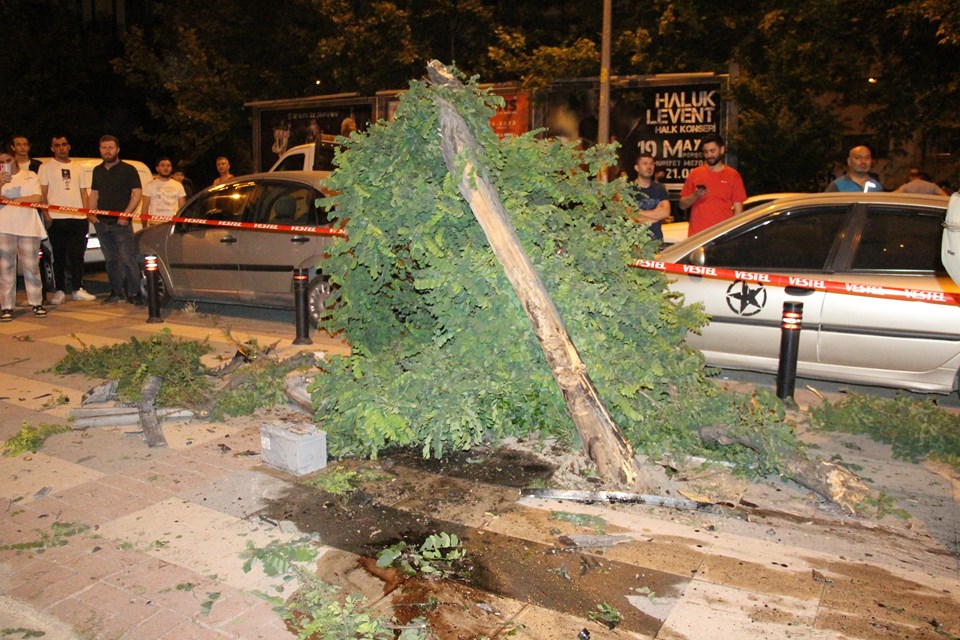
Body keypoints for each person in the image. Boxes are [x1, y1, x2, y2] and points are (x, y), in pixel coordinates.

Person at [38, 135, 97, 304]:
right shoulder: (45, 168)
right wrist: (47, 215)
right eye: (57, 145)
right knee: (59, 255)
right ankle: (60, 290)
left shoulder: (78, 168)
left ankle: (78, 288)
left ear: (69, 146)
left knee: (78, 255)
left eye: (64, 144)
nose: (61, 148)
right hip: (57, 218)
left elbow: (83, 193)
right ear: (52, 148)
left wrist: (86, 214)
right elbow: (43, 193)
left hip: (78, 218)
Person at [88, 135, 143, 305]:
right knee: (111, 260)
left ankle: (135, 293)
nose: (107, 151)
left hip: (121, 224)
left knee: (128, 259)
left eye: (111, 147)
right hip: (102, 223)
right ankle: (116, 292)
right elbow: (95, 193)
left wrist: (126, 214)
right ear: (100, 150)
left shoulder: (129, 169)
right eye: (104, 147)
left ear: (117, 149)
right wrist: (91, 214)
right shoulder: (97, 171)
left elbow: (137, 193)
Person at [0, 148, 47, 320]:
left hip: (28, 228)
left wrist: (14, 201)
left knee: (31, 267)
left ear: (15, 159)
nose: (4, 165)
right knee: (6, 268)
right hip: (4, 228)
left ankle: (36, 302)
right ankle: (6, 306)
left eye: (7, 160)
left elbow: (37, 198)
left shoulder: (30, 175)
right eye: (1, 162)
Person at [679, 133, 747, 235]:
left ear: (722, 150)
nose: (709, 155)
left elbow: (738, 210)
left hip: (721, 237)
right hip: (697, 237)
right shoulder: (695, 173)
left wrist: (731, 234)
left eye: (712, 151)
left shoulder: (733, 175)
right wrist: (695, 195)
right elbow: (682, 205)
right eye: (705, 152)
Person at [629, 152, 671, 241]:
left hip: (656, 242)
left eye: (651, 164)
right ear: (636, 168)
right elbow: (629, 216)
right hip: (634, 243)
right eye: (645, 163)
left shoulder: (660, 188)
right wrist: (655, 213)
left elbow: (665, 212)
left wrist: (639, 213)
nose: (649, 167)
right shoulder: (628, 189)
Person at [142, 157, 186, 225]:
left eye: (168, 166)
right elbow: (144, 210)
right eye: (162, 165)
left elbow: (183, 209)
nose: (166, 168)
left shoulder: (178, 186)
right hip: (155, 224)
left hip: (172, 225)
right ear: (157, 168)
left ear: (171, 168)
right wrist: (144, 228)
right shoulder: (149, 186)